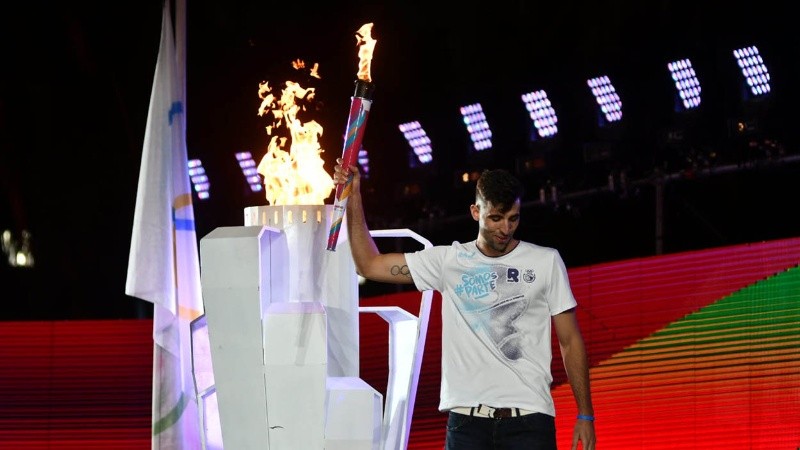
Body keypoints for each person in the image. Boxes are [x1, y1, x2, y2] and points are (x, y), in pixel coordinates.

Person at [333, 158, 596, 450]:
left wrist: (585, 414)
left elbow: (570, 341)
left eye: (513, 218)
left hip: (529, 423)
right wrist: (353, 196)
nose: (505, 228)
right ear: (476, 212)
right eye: (496, 218)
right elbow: (369, 265)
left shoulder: (546, 262)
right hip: (466, 425)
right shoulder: (449, 262)